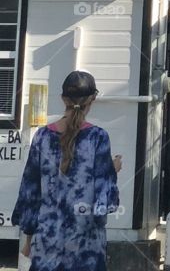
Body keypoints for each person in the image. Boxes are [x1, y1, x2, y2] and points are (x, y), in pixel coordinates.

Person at [13, 71, 120, 271]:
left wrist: (28, 238)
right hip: (86, 245)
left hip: (47, 241)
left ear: (63, 99)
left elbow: (30, 192)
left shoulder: (42, 136)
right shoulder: (97, 137)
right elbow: (104, 201)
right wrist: (112, 170)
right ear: (92, 99)